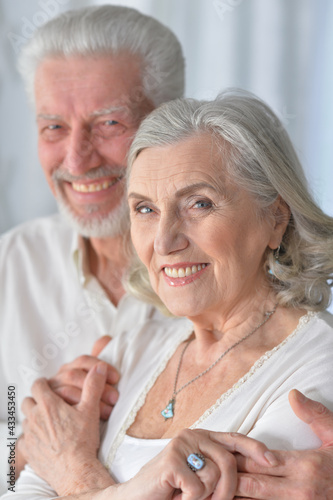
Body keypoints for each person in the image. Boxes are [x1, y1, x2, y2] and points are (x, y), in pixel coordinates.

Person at [6, 90, 333, 499]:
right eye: (144, 209)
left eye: (199, 203)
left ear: (275, 218)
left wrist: (75, 474)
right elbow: (20, 489)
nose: (163, 241)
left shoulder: (316, 373)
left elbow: (58, 475)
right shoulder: (128, 349)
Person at [0, 4, 186, 492]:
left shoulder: (233, 274)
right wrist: (27, 442)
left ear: (168, 123)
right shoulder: (11, 263)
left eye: (108, 124)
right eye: (54, 128)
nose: (77, 159)